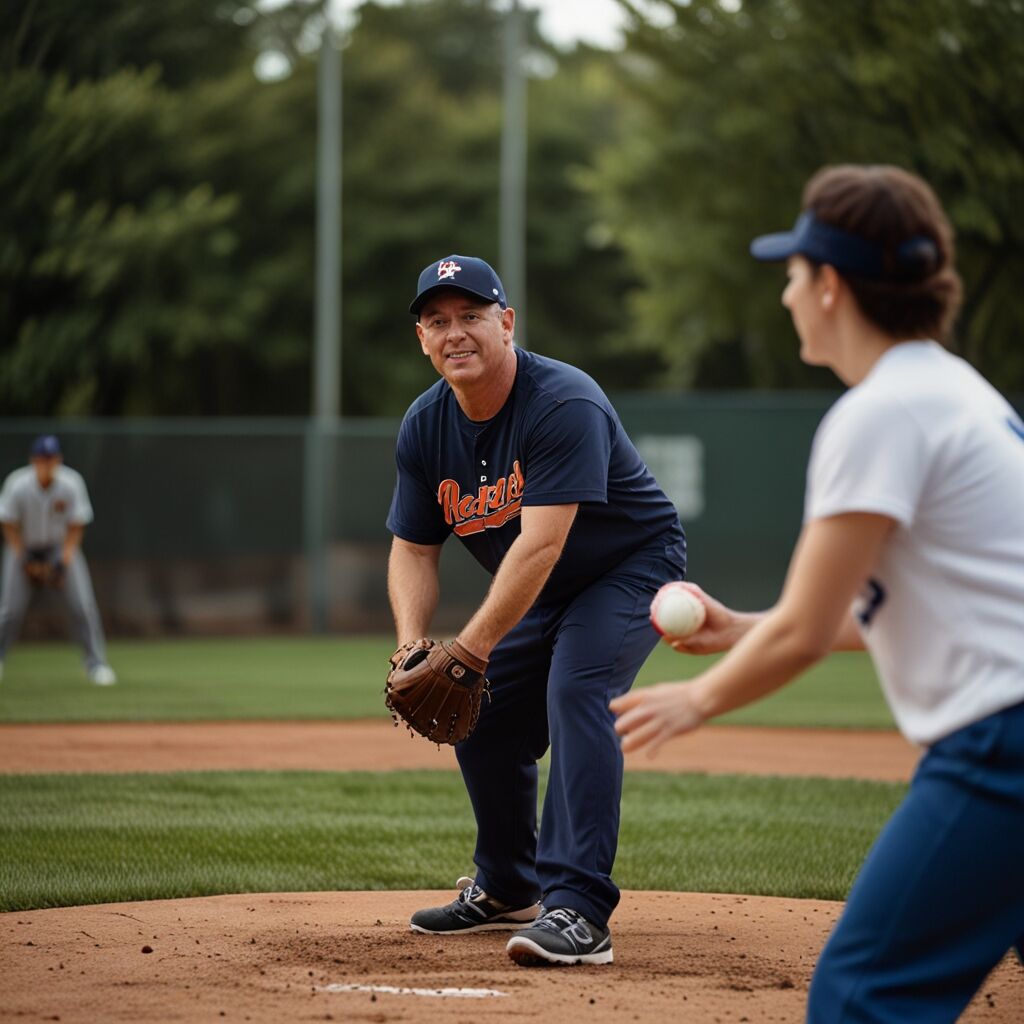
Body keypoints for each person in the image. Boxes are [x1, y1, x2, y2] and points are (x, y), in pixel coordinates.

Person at [612, 165, 1024, 1020]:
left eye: (795, 274)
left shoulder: (880, 413)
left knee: (862, 992)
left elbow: (804, 631)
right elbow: (901, 614)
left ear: (831, 285)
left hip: (1001, 745)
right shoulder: (954, 391)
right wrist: (740, 632)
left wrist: (699, 699)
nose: (788, 293)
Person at [386, 254, 687, 966]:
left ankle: (579, 909)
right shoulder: (426, 427)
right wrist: (411, 646)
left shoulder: (562, 401)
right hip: (542, 587)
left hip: (628, 567)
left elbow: (540, 545)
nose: (454, 333)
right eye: (437, 321)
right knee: (480, 712)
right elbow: (412, 550)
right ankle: (507, 888)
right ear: (421, 340)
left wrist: (470, 647)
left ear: (507, 323)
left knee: (577, 689)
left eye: (470, 317)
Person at [0, 435, 116, 686]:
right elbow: (8, 525)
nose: (47, 463)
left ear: (59, 459)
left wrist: (63, 562)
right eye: (42, 459)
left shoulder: (71, 483)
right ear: (33, 460)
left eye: (51, 458)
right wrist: (24, 558)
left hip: (59, 547)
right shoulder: (18, 484)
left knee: (82, 606)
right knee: (10, 609)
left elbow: (76, 527)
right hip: (23, 545)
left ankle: (96, 664)